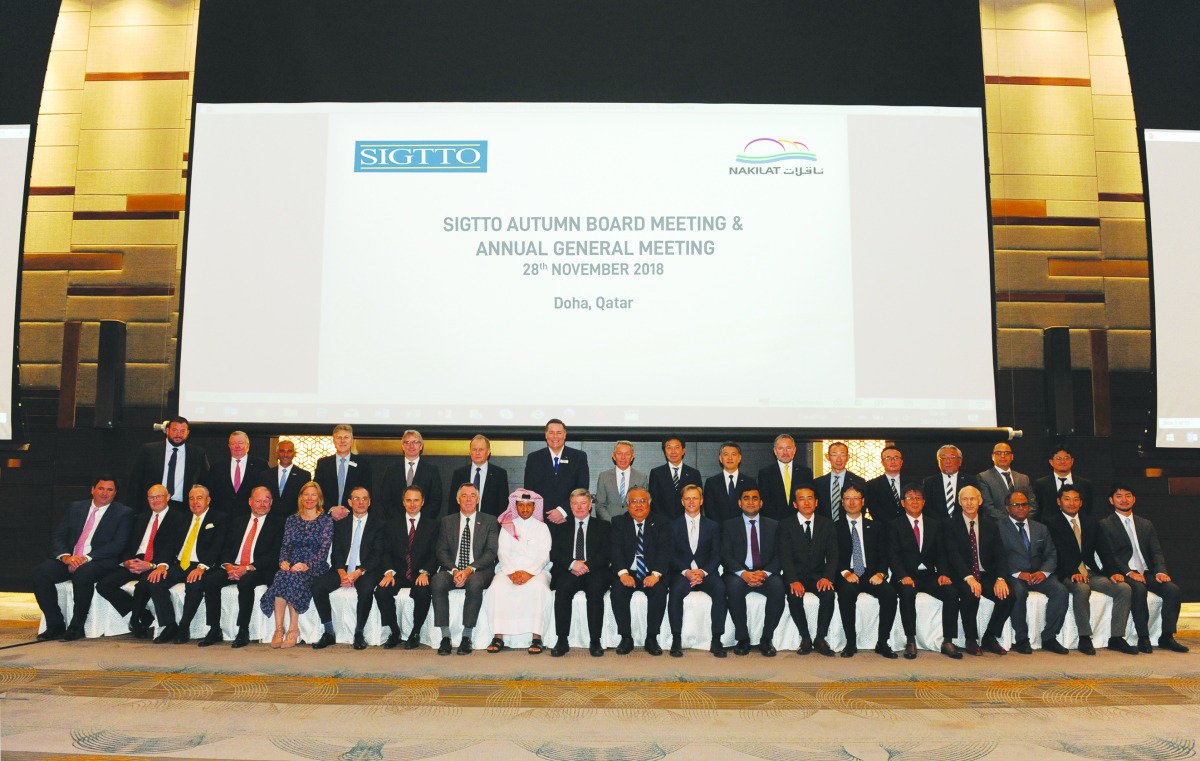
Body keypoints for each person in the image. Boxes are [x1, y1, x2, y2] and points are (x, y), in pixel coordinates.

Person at [33, 475, 133, 641]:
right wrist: (66, 557)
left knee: (83, 574)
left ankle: (76, 627)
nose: (104, 493)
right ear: (92, 489)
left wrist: (85, 558)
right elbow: (58, 536)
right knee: (40, 573)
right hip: (71, 559)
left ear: (115, 493)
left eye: (110, 490)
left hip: (99, 561)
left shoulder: (123, 512)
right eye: (101, 488)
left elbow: (118, 545)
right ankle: (55, 624)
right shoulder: (76, 507)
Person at [1098, 483, 1188, 653]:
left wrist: (1161, 571)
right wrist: (1129, 572)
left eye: (1128, 496)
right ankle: (1143, 637)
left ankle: (1166, 636)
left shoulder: (1145, 524)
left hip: (1147, 573)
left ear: (1134, 499)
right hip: (1124, 572)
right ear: (1111, 500)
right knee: (1139, 589)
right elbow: (1110, 555)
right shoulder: (1105, 524)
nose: (1124, 500)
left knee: (1173, 590)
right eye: (1119, 496)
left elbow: (1156, 551)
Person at [1045, 486, 1133, 655]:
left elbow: (1104, 550)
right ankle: (1085, 637)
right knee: (1082, 589)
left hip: (1091, 572)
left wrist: (1114, 571)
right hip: (1066, 573)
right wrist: (1072, 572)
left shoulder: (1091, 522)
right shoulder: (1050, 523)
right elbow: (1056, 552)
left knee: (1124, 588)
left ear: (1081, 503)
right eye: (1067, 499)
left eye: (1076, 499)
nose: (1072, 503)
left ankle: (1116, 637)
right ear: (1059, 501)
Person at [95, 484, 187, 639]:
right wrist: (126, 562)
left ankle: (136, 621)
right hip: (136, 560)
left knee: (144, 584)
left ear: (168, 497)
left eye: (159, 496)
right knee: (104, 585)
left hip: (157, 563)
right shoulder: (140, 518)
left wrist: (152, 565)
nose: (155, 500)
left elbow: (173, 547)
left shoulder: (179, 519)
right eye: (151, 497)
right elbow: (128, 544)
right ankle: (144, 615)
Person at [196, 485, 285, 648]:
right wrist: (229, 567)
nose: (262, 504)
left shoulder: (278, 524)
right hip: (234, 566)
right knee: (210, 581)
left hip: (259, 569)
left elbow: (274, 555)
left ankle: (243, 630)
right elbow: (225, 548)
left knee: (245, 583)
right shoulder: (237, 521)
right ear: (250, 502)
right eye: (258, 501)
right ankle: (214, 629)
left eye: (266, 501)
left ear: (271, 502)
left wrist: (248, 568)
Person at [146, 485, 228, 644]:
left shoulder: (219, 518)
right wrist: (162, 565)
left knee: (195, 584)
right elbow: (169, 545)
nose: (195, 502)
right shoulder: (182, 518)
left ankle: (184, 626)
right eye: (191, 498)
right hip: (180, 564)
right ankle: (169, 625)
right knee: (155, 581)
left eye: (199, 498)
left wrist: (202, 567)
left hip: (201, 565)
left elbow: (217, 546)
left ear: (208, 500)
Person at [887, 484, 961, 659]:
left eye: (918, 498)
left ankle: (948, 641)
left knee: (951, 592)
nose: (914, 502)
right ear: (903, 503)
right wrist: (902, 576)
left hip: (928, 575)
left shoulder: (934, 524)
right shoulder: (894, 525)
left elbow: (941, 552)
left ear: (924, 502)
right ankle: (911, 641)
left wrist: (943, 573)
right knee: (906, 592)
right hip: (905, 575)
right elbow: (892, 554)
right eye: (910, 498)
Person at [259, 481, 334, 649]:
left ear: (319, 498)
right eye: (306, 494)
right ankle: (279, 629)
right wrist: (283, 561)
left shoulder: (326, 521)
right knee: (281, 574)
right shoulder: (291, 520)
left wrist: (307, 565)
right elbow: (285, 546)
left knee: (294, 577)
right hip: (292, 564)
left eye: (313, 494)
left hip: (314, 566)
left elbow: (323, 551)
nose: (309, 498)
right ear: (301, 497)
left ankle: (293, 629)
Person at [940, 485, 1013, 656]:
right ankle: (971, 639)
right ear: (959, 502)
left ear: (980, 501)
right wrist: (968, 577)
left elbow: (1000, 554)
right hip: (960, 574)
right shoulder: (949, 525)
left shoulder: (991, 526)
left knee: (1008, 596)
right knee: (970, 593)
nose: (969, 502)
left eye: (973, 498)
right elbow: (953, 554)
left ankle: (990, 637)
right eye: (965, 499)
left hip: (985, 573)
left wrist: (1001, 579)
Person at [310, 486, 385, 650]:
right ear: (350, 502)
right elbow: (336, 551)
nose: (361, 502)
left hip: (365, 569)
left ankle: (359, 632)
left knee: (366, 590)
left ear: (370, 502)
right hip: (342, 568)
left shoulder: (378, 524)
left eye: (365, 498)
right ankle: (329, 632)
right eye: (357, 499)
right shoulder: (340, 524)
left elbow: (377, 554)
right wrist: (342, 572)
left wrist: (358, 572)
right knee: (318, 587)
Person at [996, 490, 1069, 654]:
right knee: (1019, 593)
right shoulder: (998, 527)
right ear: (1007, 508)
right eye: (1016, 505)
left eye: (1024, 504)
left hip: (1039, 575)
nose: (1021, 508)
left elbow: (1051, 553)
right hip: (1014, 575)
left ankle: (1049, 637)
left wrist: (1043, 572)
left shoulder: (1040, 528)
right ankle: (1021, 639)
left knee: (1061, 591)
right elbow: (997, 556)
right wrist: (1017, 573)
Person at [431, 484, 500, 655]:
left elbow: (491, 552)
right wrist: (455, 570)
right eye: (464, 496)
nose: (468, 499)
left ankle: (466, 637)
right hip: (452, 569)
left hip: (479, 570)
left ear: (478, 499)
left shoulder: (489, 521)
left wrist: (469, 569)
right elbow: (441, 550)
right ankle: (445, 636)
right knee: (438, 580)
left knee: (475, 582)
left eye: (472, 496)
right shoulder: (447, 521)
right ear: (457, 499)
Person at [832, 484, 898, 658]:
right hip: (848, 573)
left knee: (890, 593)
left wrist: (881, 573)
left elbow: (885, 554)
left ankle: (882, 642)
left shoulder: (876, 526)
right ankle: (851, 643)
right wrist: (845, 572)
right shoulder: (834, 528)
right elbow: (832, 556)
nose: (852, 502)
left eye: (856, 498)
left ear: (863, 502)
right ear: (842, 503)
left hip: (871, 574)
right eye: (847, 499)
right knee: (846, 593)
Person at [485, 489, 553, 654]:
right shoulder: (508, 526)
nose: (524, 509)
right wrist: (511, 572)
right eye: (521, 505)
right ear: (515, 506)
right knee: (497, 588)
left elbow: (544, 555)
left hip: (537, 572)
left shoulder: (542, 528)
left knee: (538, 589)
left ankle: (536, 638)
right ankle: (498, 637)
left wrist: (529, 573)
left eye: (529, 505)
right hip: (509, 570)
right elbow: (502, 553)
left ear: (533, 507)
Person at [720, 486, 783, 657]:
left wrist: (765, 573)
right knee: (733, 587)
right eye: (746, 498)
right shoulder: (728, 525)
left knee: (778, 587)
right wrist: (744, 573)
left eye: (755, 498)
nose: (750, 502)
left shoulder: (774, 525)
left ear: (761, 503)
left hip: (765, 573)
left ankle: (766, 639)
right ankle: (743, 638)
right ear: (740, 503)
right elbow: (726, 555)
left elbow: (780, 555)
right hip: (739, 573)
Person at [375, 485, 440, 649]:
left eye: (416, 500)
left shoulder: (432, 525)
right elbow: (385, 552)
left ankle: (415, 632)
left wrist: (426, 572)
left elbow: (435, 554)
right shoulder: (391, 525)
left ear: (422, 502)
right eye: (409, 500)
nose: (412, 504)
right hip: (398, 573)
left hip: (420, 573)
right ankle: (395, 631)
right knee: (381, 591)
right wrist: (388, 572)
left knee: (423, 592)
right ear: (403, 502)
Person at [609, 486, 671, 655]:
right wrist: (623, 574)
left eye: (643, 501)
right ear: (627, 504)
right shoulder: (618, 522)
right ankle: (626, 637)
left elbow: (665, 551)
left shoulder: (661, 522)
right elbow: (615, 551)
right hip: (629, 572)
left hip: (652, 573)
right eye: (634, 501)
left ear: (649, 504)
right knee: (618, 590)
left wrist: (656, 574)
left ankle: (651, 637)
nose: (638, 505)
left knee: (659, 591)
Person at [667, 484, 726, 657]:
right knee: (675, 592)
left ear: (701, 501)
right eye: (687, 498)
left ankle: (716, 639)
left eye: (695, 498)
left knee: (721, 589)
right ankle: (676, 639)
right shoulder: (673, 525)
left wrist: (703, 572)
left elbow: (717, 554)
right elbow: (670, 555)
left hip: (706, 573)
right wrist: (686, 571)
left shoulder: (713, 525)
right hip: (683, 573)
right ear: (682, 502)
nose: (691, 501)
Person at [550, 488, 611, 657]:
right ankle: (562, 639)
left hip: (595, 570)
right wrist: (573, 564)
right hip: (569, 570)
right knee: (562, 589)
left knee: (596, 589)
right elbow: (555, 553)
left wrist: (587, 565)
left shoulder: (603, 526)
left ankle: (595, 640)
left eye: (583, 503)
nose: (579, 507)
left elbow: (606, 553)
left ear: (590, 505)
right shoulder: (561, 528)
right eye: (575, 503)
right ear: (570, 506)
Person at [778, 484, 837, 656]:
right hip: (796, 575)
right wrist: (793, 580)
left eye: (810, 498)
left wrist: (827, 577)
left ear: (816, 502)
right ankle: (805, 637)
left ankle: (820, 638)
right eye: (801, 499)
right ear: (795, 504)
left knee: (829, 594)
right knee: (794, 595)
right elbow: (784, 555)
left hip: (819, 575)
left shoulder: (827, 524)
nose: (806, 502)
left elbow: (833, 555)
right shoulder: (785, 525)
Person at [127, 416, 208, 512]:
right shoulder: (149, 450)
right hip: (154, 506)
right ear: (167, 431)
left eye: (182, 431)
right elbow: (135, 481)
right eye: (175, 430)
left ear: (188, 433)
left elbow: (205, 482)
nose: (178, 434)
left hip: (183, 509)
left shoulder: (197, 453)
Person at [523, 419, 589, 525]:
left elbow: (582, 488)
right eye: (551, 433)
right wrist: (547, 514)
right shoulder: (534, 458)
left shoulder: (578, 457)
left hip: (568, 518)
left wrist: (562, 511)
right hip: (540, 520)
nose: (555, 437)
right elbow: (529, 490)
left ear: (564, 435)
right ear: (546, 435)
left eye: (559, 433)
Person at [314, 424, 373, 520]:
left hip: (353, 516)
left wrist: (348, 510)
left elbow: (366, 492)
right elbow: (317, 491)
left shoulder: (363, 464)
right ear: (333, 441)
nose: (342, 441)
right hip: (326, 517)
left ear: (352, 441)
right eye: (339, 437)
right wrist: (331, 509)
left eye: (346, 437)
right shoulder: (323, 463)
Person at [381, 429, 443, 521]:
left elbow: (435, 500)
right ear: (402, 446)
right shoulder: (391, 470)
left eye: (415, 442)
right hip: (396, 523)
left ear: (421, 446)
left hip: (423, 524)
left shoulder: (431, 470)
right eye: (407, 442)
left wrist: (420, 520)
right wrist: (400, 520)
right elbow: (385, 498)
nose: (411, 445)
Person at [203, 431, 267, 516]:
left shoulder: (261, 465)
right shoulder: (217, 466)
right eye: (233, 443)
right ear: (229, 446)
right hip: (222, 517)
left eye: (240, 443)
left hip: (249, 516)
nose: (237, 446)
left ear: (248, 446)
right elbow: (211, 493)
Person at [447, 434, 509, 518]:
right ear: (470, 452)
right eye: (474, 449)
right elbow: (453, 505)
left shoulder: (499, 474)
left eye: (481, 450)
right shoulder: (459, 474)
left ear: (488, 451)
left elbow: (503, 506)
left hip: (489, 526)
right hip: (463, 524)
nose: (477, 453)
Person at [756, 435, 814, 522]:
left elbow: (808, 500)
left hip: (799, 522)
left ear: (794, 450)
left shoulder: (805, 472)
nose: (785, 452)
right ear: (775, 451)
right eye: (780, 448)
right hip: (774, 522)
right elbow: (765, 502)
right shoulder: (765, 473)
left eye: (788, 448)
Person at [977, 442, 1039, 522]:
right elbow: (988, 507)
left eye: (1007, 453)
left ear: (1012, 456)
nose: (1003, 456)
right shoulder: (984, 477)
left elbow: (1033, 505)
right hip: (998, 527)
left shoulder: (1023, 478)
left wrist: (1021, 519)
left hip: (1023, 525)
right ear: (993, 457)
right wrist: (1011, 522)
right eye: (998, 453)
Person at [646, 436, 702, 522]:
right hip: (663, 523)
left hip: (687, 522)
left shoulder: (694, 474)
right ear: (664, 451)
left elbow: (698, 500)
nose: (673, 452)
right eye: (669, 448)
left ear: (683, 451)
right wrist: (663, 520)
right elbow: (654, 501)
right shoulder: (656, 473)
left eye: (677, 447)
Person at [1033, 446, 1095, 518]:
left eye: (1066, 458)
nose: (1062, 461)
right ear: (1051, 462)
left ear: (1072, 461)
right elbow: (1038, 511)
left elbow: (1088, 510)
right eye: (1058, 458)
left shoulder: (1085, 484)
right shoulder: (1041, 484)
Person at [702, 441, 755, 523]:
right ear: (720, 458)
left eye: (733, 454)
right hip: (719, 530)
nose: (730, 458)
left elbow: (752, 508)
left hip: (742, 529)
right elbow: (709, 509)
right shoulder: (711, 482)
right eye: (726, 454)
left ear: (739, 458)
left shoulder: (750, 482)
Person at [922, 445, 978, 522]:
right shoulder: (929, 482)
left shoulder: (971, 481)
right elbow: (926, 508)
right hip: (937, 527)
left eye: (952, 458)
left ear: (960, 461)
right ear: (938, 462)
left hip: (963, 526)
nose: (948, 461)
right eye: (943, 458)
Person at [594, 440, 648, 521]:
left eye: (627, 454)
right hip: (610, 525)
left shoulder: (641, 478)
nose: (623, 457)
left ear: (632, 456)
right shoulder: (604, 477)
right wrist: (612, 522)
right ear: (614, 456)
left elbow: (644, 505)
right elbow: (600, 506)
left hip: (633, 525)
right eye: (619, 454)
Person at [813, 442, 865, 523]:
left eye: (842, 455)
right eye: (834, 455)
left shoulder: (859, 481)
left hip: (849, 527)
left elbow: (862, 509)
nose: (839, 459)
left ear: (848, 457)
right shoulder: (818, 483)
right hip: (823, 528)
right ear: (827, 457)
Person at [256, 439, 310, 515]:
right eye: (282, 451)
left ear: (294, 454)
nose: (285, 455)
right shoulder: (265, 475)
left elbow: (304, 500)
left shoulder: (304, 476)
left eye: (289, 451)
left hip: (294, 520)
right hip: (270, 519)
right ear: (277, 454)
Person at [863, 446, 906, 525]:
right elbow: (874, 510)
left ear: (901, 462)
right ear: (882, 462)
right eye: (888, 458)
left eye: (896, 458)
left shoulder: (911, 484)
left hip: (908, 529)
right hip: (883, 530)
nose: (893, 461)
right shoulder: (871, 485)